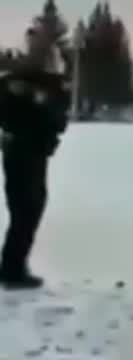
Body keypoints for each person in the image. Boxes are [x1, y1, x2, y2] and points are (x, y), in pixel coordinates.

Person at [0, 27, 69, 289]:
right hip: (22, 150)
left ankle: (13, 265)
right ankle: (12, 268)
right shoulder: (18, 82)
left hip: (33, 150)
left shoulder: (47, 83)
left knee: (28, 208)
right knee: (26, 208)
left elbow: (57, 116)